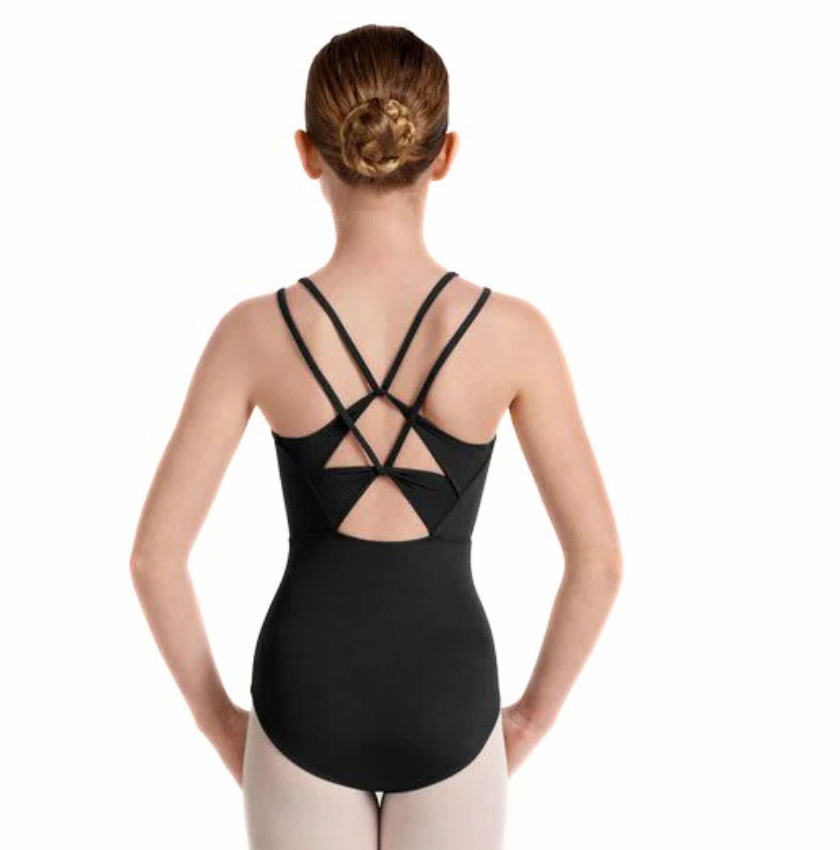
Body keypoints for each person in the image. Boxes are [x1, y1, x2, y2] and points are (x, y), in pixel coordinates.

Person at [130, 23, 622, 850]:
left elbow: (155, 559)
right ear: (446, 153)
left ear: (307, 152)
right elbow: (599, 560)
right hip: (451, 695)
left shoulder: (254, 334)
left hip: (304, 697)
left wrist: (222, 725)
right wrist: (528, 721)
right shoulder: (514, 335)